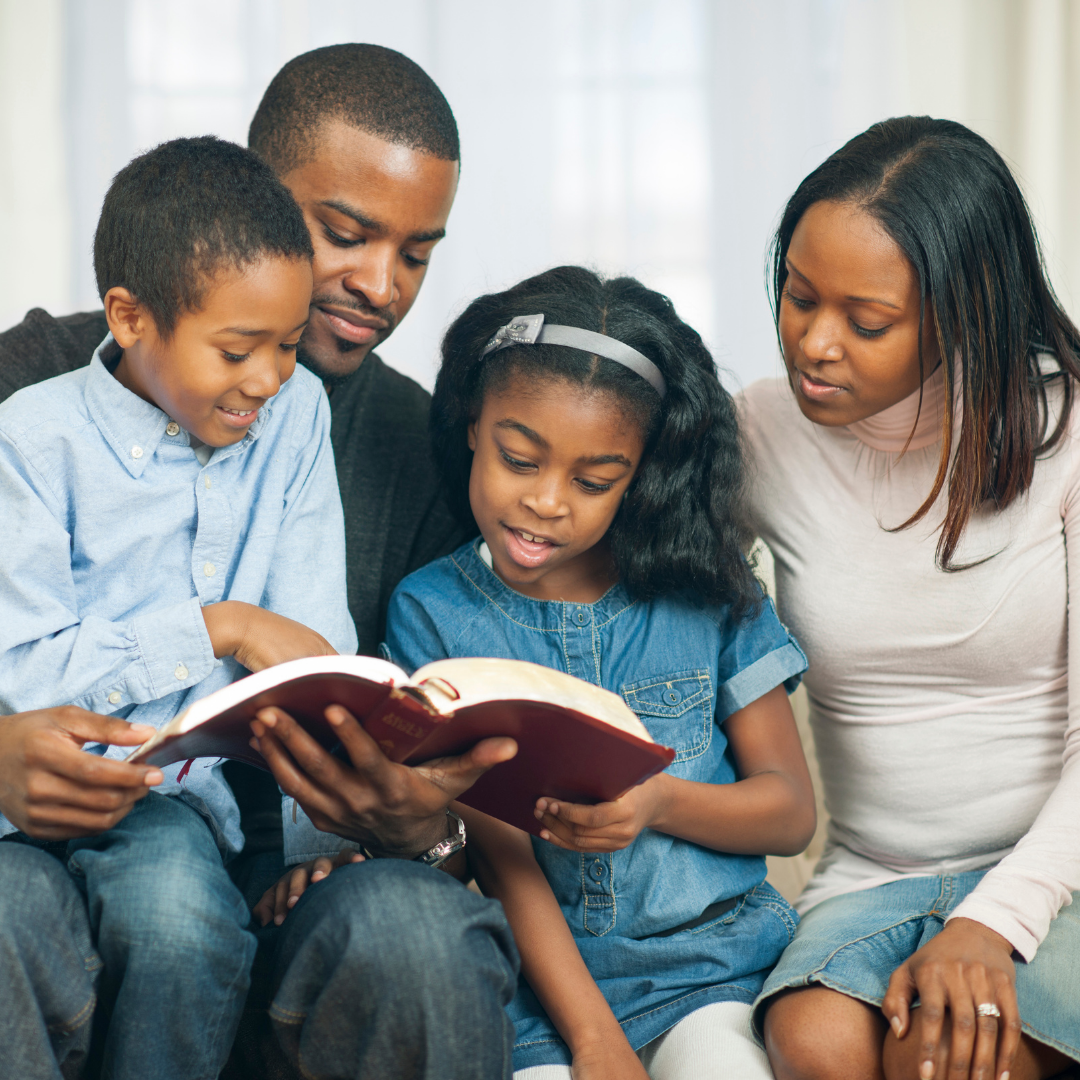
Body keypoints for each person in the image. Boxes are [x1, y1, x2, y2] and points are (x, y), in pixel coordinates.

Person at [0, 46, 521, 1080]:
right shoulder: (29, 392)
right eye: (345, 233)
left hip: (301, 869)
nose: (379, 284)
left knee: (414, 938)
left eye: (417, 253)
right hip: (73, 835)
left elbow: (428, 724)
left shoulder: (427, 447)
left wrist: (425, 830)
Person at [366, 265, 816, 1078]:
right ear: (474, 425)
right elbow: (504, 858)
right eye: (518, 458)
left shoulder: (704, 587)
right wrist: (597, 1040)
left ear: (638, 476)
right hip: (545, 999)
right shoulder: (431, 612)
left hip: (718, 971)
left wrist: (659, 803)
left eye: (593, 481)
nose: (546, 501)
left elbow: (788, 814)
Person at [0, 136, 356, 1080]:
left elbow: (316, 654)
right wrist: (216, 627)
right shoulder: (29, 441)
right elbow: (24, 667)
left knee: (177, 924)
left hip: (170, 804)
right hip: (24, 793)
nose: (269, 379)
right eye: (238, 350)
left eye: (286, 344)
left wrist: (323, 847)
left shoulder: (297, 416)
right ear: (131, 317)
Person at [740, 117, 1080, 1080]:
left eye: (867, 320)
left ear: (962, 314)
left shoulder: (1069, 434)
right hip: (876, 871)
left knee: (945, 1058)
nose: (815, 342)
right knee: (813, 1043)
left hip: (1058, 867)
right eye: (797, 297)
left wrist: (990, 922)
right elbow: (644, 595)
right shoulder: (762, 435)